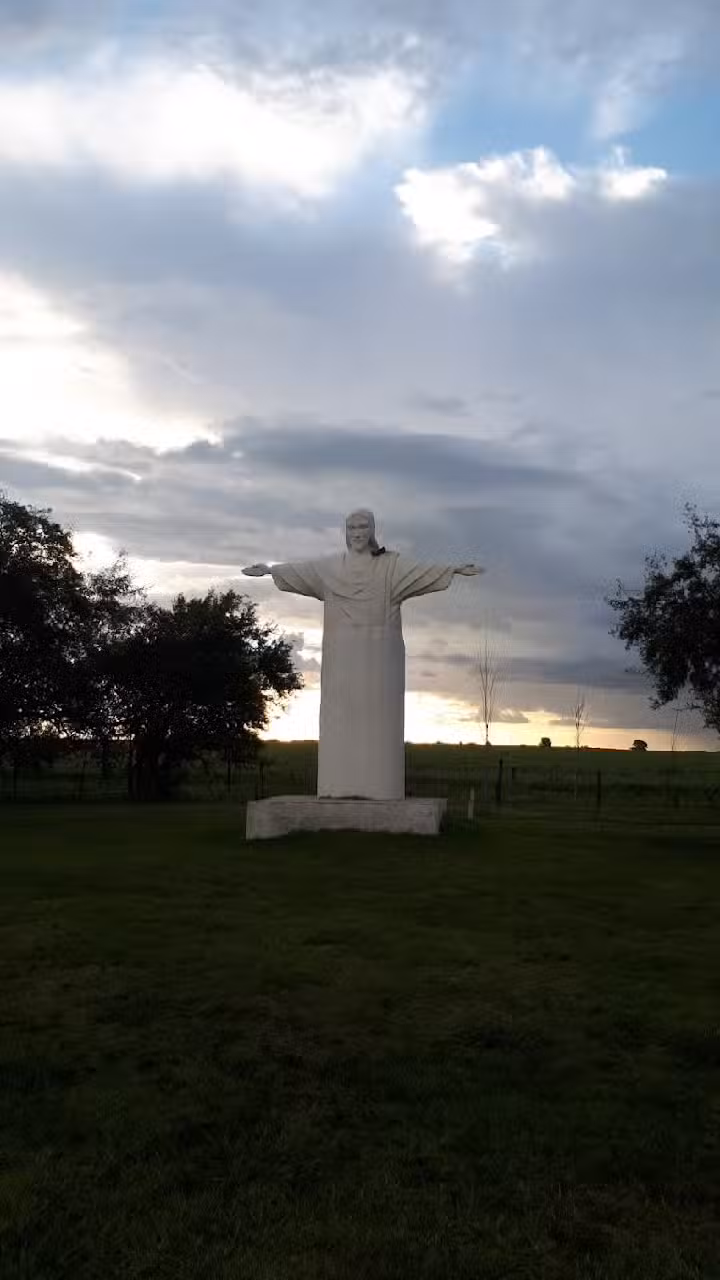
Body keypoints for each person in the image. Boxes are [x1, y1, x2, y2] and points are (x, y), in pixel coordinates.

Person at [243, 509, 483, 799]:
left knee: (378, 725)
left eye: (363, 526)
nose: (357, 532)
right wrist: (270, 570)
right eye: (352, 527)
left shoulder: (390, 567)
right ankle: (336, 787)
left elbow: (421, 571)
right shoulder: (330, 569)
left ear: (371, 530)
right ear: (346, 532)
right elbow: (300, 571)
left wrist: (453, 569)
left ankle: (379, 787)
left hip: (381, 657)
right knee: (339, 719)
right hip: (340, 656)